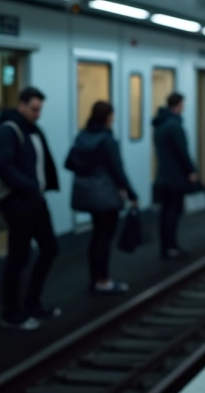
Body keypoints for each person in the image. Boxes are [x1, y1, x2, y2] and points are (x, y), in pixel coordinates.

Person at [0, 87, 61, 330]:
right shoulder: (8, 130)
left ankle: (32, 303)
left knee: (50, 248)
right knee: (18, 257)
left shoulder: (32, 129)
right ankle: (11, 312)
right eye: (34, 109)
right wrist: (29, 185)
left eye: (40, 109)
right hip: (19, 203)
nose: (38, 114)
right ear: (21, 105)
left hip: (36, 201)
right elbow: (2, 164)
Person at [65, 101, 138, 295]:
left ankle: (94, 279)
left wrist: (88, 169)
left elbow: (69, 162)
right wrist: (132, 193)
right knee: (104, 238)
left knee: (96, 236)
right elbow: (117, 169)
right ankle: (103, 280)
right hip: (106, 194)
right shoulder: (107, 140)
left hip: (88, 194)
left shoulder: (82, 136)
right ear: (108, 117)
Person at [152, 93, 197, 260]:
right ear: (178, 105)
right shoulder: (174, 125)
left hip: (163, 174)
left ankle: (166, 246)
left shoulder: (160, 124)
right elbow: (182, 151)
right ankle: (171, 246)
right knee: (174, 211)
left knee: (165, 212)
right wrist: (191, 171)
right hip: (176, 176)